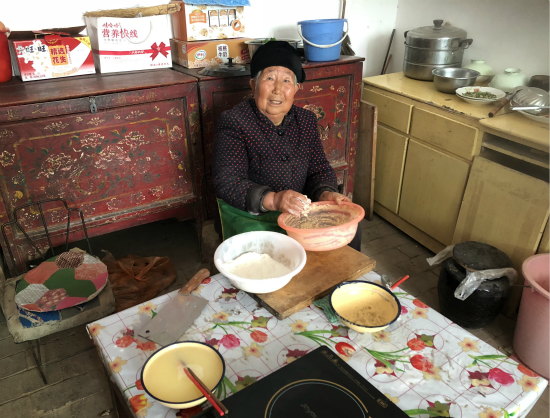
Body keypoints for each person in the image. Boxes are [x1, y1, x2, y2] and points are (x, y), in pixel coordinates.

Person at [212, 41, 362, 251]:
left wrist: (326, 194)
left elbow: (319, 168)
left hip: (296, 214)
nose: (277, 89)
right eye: (269, 78)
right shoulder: (235, 121)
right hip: (252, 217)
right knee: (276, 254)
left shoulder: (306, 120)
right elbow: (227, 181)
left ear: (296, 89)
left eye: (286, 80)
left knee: (349, 230)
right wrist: (274, 200)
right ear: (253, 85)